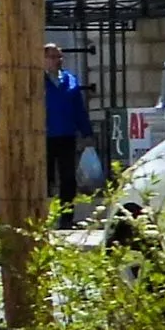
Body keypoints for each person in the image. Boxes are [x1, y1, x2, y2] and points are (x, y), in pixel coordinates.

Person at [45, 42, 98, 209]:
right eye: (53, 57)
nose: (58, 60)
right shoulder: (37, 81)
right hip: (44, 136)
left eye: (59, 56)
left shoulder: (70, 80)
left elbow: (78, 109)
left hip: (66, 135)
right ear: (43, 60)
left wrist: (86, 132)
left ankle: (67, 216)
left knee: (68, 177)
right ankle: (45, 215)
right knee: (46, 177)